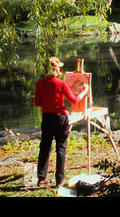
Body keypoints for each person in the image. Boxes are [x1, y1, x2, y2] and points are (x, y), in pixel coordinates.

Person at [34, 56, 89, 187]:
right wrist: (84, 91)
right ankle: (59, 180)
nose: (61, 69)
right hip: (60, 118)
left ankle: (41, 177)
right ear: (56, 68)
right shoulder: (61, 83)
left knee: (45, 147)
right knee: (61, 147)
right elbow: (74, 100)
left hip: (47, 117)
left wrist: (48, 102)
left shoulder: (40, 82)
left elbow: (37, 103)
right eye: (59, 67)